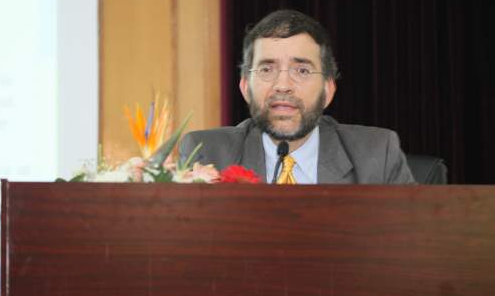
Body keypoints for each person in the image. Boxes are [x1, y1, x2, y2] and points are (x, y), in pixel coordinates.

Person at [179, 9, 446, 184]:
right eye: (267, 69)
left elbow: (409, 247)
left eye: (302, 70)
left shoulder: (378, 155)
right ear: (245, 87)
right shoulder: (206, 154)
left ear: (328, 90)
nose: (283, 85)